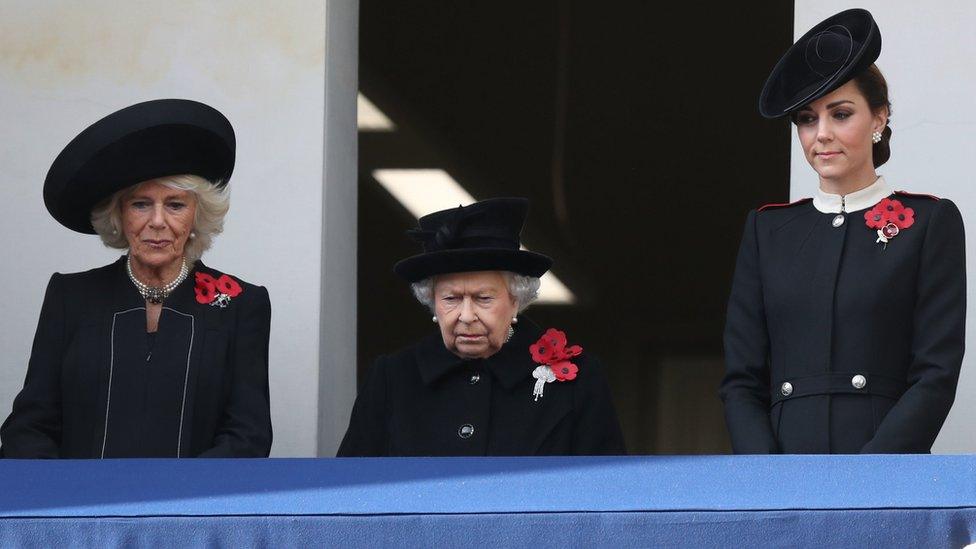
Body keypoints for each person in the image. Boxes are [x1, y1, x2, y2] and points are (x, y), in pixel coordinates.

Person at [720, 9, 965, 454]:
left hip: (884, 469)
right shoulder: (767, 230)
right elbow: (741, 380)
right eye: (808, 119)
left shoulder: (930, 223)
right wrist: (768, 477)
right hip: (782, 472)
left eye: (841, 113)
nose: (822, 134)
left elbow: (935, 374)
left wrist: (868, 476)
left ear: (879, 119)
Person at [1, 99, 272, 458]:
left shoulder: (240, 304)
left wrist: (177, 500)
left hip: (190, 509)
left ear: (196, 215)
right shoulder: (71, 297)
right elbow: (29, 428)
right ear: (118, 215)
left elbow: (248, 437)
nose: (157, 221)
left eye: (175, 205)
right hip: (81, 509)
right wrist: (73, 499)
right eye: (140, 204)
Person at [338, 197, 625, 456]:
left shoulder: (577, 381)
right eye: (451, 298)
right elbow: (349, 490)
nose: (466, 315)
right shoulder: (393, 378)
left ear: (516, 300)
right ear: (432, 303)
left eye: (483, 298)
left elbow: (605, 492)